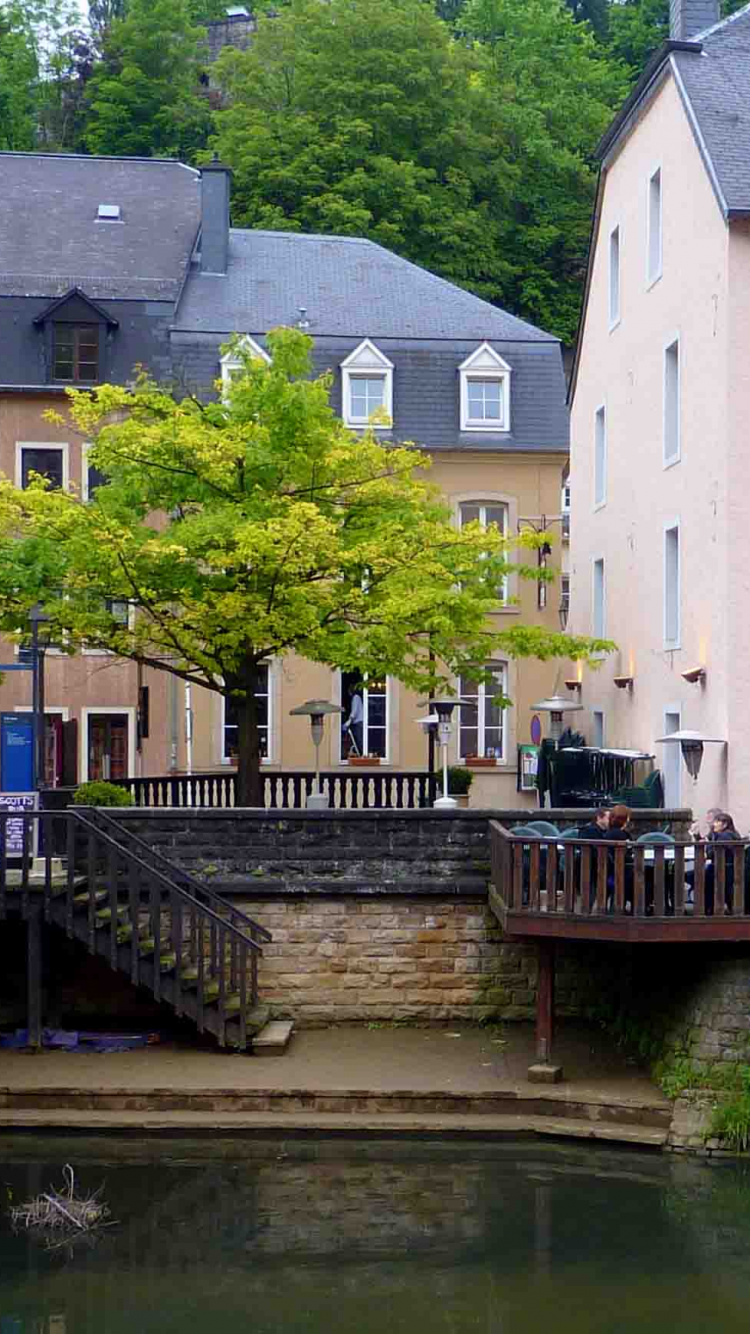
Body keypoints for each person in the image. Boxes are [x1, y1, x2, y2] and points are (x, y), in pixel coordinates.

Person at [704, 812, 741, 914]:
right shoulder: (731, 834)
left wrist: (709, 842)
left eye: (716, 822)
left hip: (723, 870)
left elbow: (711, 854)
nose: (713, 824)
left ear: (724, 824)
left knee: (702, 876)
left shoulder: (724, 836)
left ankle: (708, 909)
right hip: (729, 869)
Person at [343, 687, 363, 757]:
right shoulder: (356, 698)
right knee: (357, 740)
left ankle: (361, 754)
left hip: (358, 722)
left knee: (359, 740)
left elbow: (354, 711)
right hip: (357, 723)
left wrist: (349, 721)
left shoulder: (356, 697)